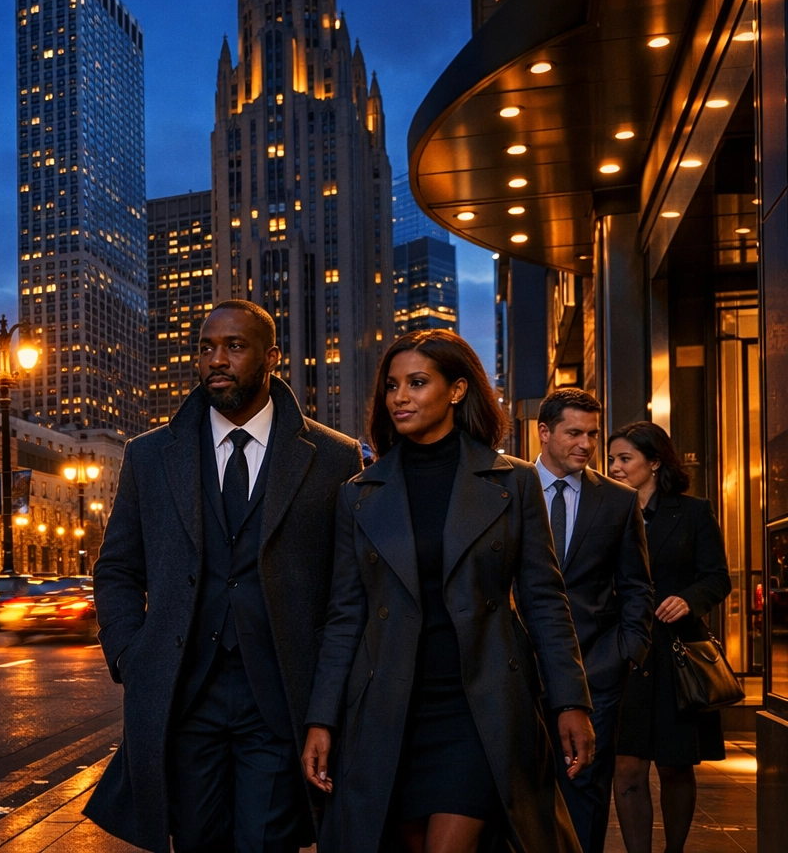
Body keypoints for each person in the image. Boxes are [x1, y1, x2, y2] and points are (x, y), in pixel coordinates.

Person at [303, 329, 595, 853]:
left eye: (417, 382)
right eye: (392, 386)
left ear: (457, 391)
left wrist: (571, 701)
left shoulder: (515, 481)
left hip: (479, 703)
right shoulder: (360, 494)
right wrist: (322, 718)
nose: (400, 397)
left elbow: (545, 601)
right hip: (390, 707)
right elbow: (345, 615)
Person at [85, 300, 362, 852]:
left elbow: (345, 594)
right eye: (206, 347)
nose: (217, 359)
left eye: (234, 347)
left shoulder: (333, 457)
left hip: (280, 697)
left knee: (265, 843)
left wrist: (327, 705)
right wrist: (128, 654)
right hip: (183, 695)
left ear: (270, 357)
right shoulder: (150, 455)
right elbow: (116, 566)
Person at [534, 388, 654, 853]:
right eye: (574, 433)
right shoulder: (508, 488)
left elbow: (637, 585)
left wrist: (626, 653)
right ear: (544, 432)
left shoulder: (618, 501)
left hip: (594, 675)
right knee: (519, 792)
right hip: (520, 672)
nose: (585, 444)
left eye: (592, 434)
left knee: (583, 790)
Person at [608, 421, 731, 853]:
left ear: (654, 462)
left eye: (626, 459)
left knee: (676, 767)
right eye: (613, 460)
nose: (616, 468)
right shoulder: (606, 511)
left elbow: (717, 578)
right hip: (626, 656)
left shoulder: (693, 512)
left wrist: (688, 599)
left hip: (676, 656)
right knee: (626, 769)